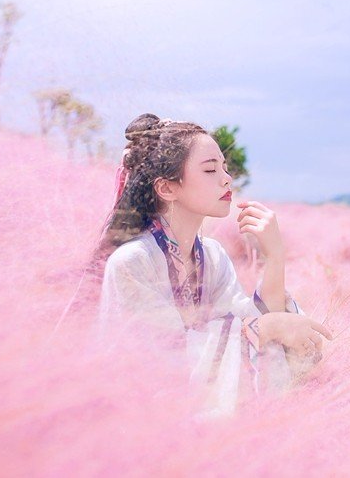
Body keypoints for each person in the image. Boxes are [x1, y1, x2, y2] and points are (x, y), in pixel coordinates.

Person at [94, 113, 333, 420]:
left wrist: (275, 257)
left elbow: (249, 324)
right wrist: (269, 327)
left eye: (223, 167)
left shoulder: (212, 255)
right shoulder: (132, 262)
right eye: (210, 169)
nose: (226, 178)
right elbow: (154, 357)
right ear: (167, 188)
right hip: (143, 419)